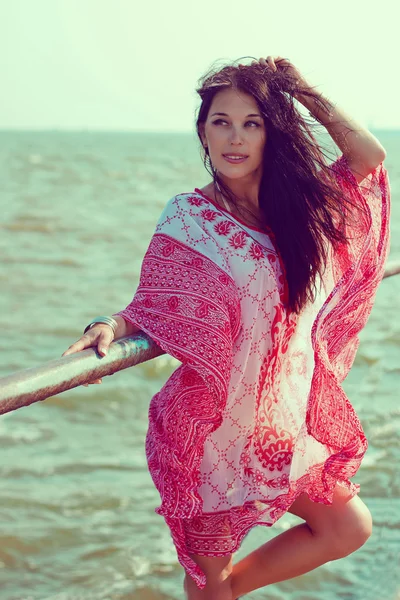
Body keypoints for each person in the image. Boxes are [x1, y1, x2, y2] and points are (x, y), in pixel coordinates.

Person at [62, 56, 391, 600]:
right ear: (203, 132)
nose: (235, 138)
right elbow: (155, 303)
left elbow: (368, 156)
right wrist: (109, 325)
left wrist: (301, 90)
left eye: (251, 122)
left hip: (275, 423)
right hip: (210, 429)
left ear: (271, 132)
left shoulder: (305, 206)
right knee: (209, 585)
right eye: (221, 122)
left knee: (347, 527)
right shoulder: (189, 217)